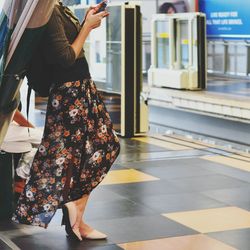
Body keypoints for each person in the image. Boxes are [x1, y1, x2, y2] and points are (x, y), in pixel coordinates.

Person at [12, 0, 120, 242]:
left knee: (73, 156)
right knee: (91, 151)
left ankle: (76, 214)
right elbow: (64, 58)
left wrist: (85, 24)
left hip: (79, 87)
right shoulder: (45, 8)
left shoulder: (54, 6)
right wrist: (87, 28)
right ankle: (75, 209)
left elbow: (65, 47)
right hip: (71, 92)